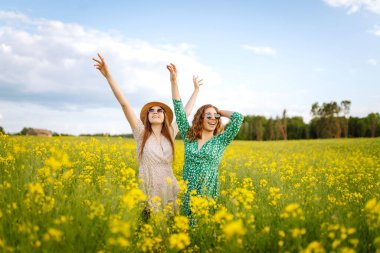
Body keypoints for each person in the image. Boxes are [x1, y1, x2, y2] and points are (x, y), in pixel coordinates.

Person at [93, 54, 203, 212]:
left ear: (165, 116)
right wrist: (108, 76)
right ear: (146, 116)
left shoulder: (171, 132)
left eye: (160, 110)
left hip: (169, 188)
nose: (155, 112)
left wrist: (185, 86)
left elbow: (185, 113)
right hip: (148, 189)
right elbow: (124, 104)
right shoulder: (140, 132)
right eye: (151, 110)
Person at [167, 63, 244, 217]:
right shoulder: (189, 137)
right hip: (188, 194)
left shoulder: (221, 140)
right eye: (207, 115)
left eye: (215, 117)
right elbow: (179, 110)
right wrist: (174, 81)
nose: (212, 119)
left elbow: (238, 118)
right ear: (200, 118)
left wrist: (219, 111)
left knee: (203, 228)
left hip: (208, 194)